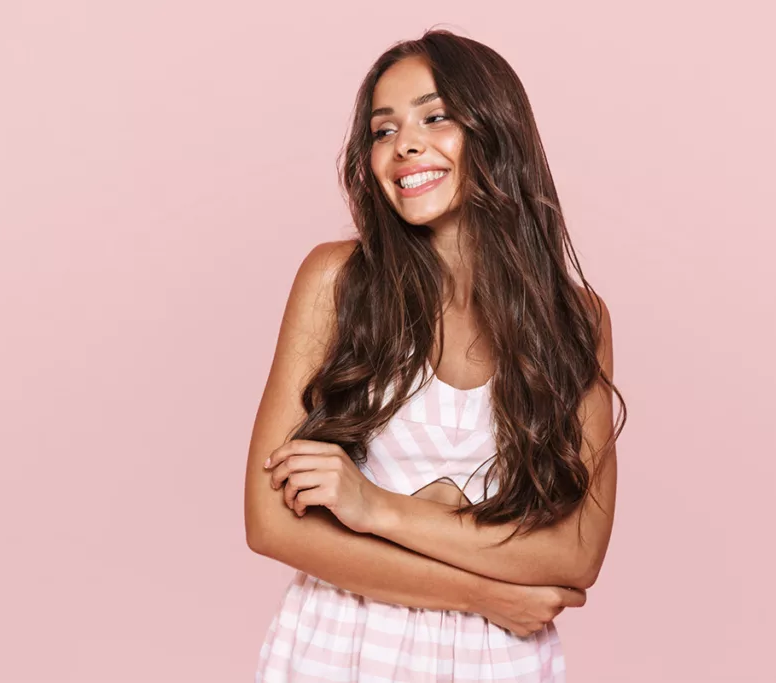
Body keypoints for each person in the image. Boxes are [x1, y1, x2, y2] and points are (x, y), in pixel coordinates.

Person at [244, 28, 626, 683]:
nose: (405, 144)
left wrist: (376, 507)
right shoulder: (336, 282)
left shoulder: (576, 318)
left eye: (436, 116)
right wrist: (481, 590)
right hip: (342, 646)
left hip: (497, 660)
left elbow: (576, 553)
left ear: (495, 130)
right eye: (383, 129)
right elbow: (269, 524)